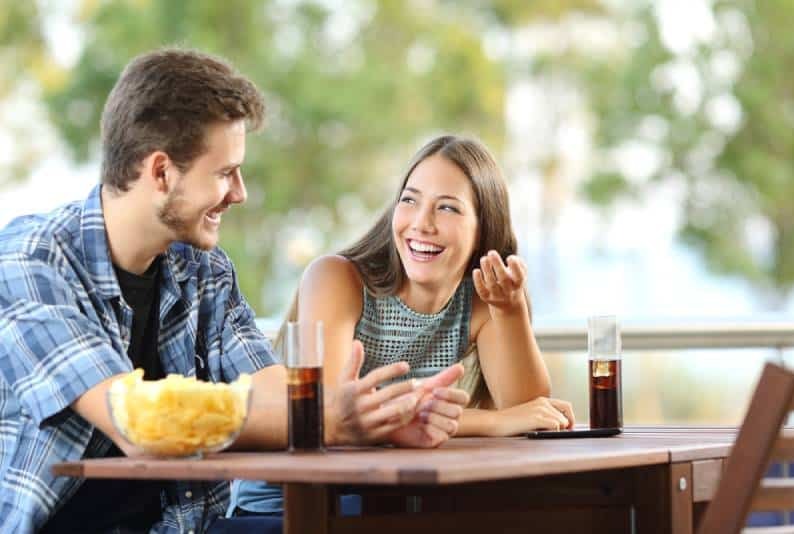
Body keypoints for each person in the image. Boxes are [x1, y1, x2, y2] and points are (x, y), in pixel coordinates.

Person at [0, 48, 469, 534]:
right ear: (160, 172)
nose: (240, 192)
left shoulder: (203, 267)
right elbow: (136, 421)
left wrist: (379, 420)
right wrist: (324, 421)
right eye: (225, 173)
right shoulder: (30, 261)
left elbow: (270, 392)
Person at [230, 135, 575, 515]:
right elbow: (334, 415)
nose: (421, 223)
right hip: (290, 505)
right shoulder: (337, 278)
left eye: (447, 208)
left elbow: (528, 411)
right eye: (409, 200)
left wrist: (510, 313)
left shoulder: (480, 300)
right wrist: (491, 423)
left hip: (390, 500)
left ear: (483, 228)